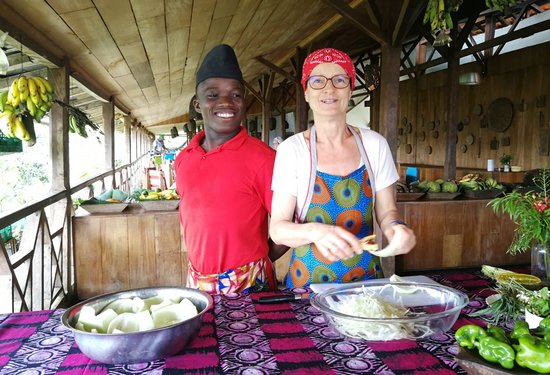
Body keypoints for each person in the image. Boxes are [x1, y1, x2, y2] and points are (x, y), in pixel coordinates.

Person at [269, 48, 416, 288]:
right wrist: (316, 232)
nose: (329, 89)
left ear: (350, 90)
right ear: (306, 92)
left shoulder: (374, 145)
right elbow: (279, 229)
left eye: (339, 80)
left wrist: (397, 229)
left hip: (367, 283)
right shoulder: (292, 150)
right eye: (317, 81)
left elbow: (388, 212)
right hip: (309, 283)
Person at [174, 44, 286, 294]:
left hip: (249, 281)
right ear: (196, 103)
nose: (226, 102)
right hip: (197, 280)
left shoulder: (263, 159)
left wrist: (261, 262)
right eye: (213, 94)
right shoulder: (183, 159)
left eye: (235, 95)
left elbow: (290, 223)